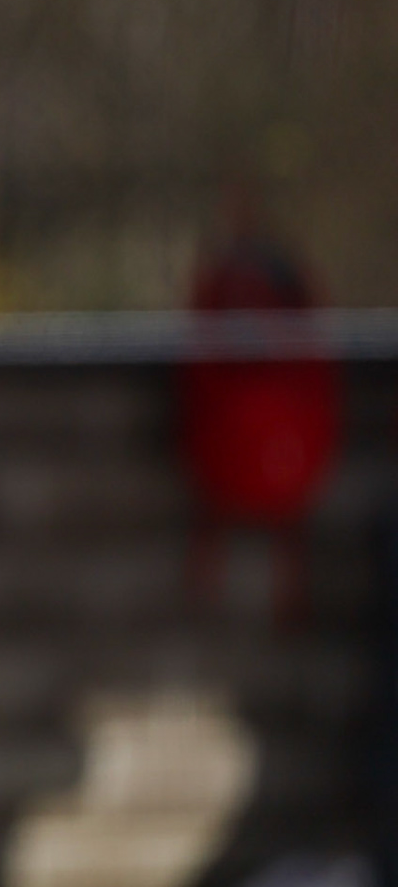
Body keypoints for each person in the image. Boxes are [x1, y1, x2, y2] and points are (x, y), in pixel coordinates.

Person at [179, 180, 341, 627]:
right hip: (245, 440)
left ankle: (273, 602)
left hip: (267, 439)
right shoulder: (230, 278)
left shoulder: (277, 277)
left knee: (274, 518)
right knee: (235, 513)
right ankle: (213, 596)